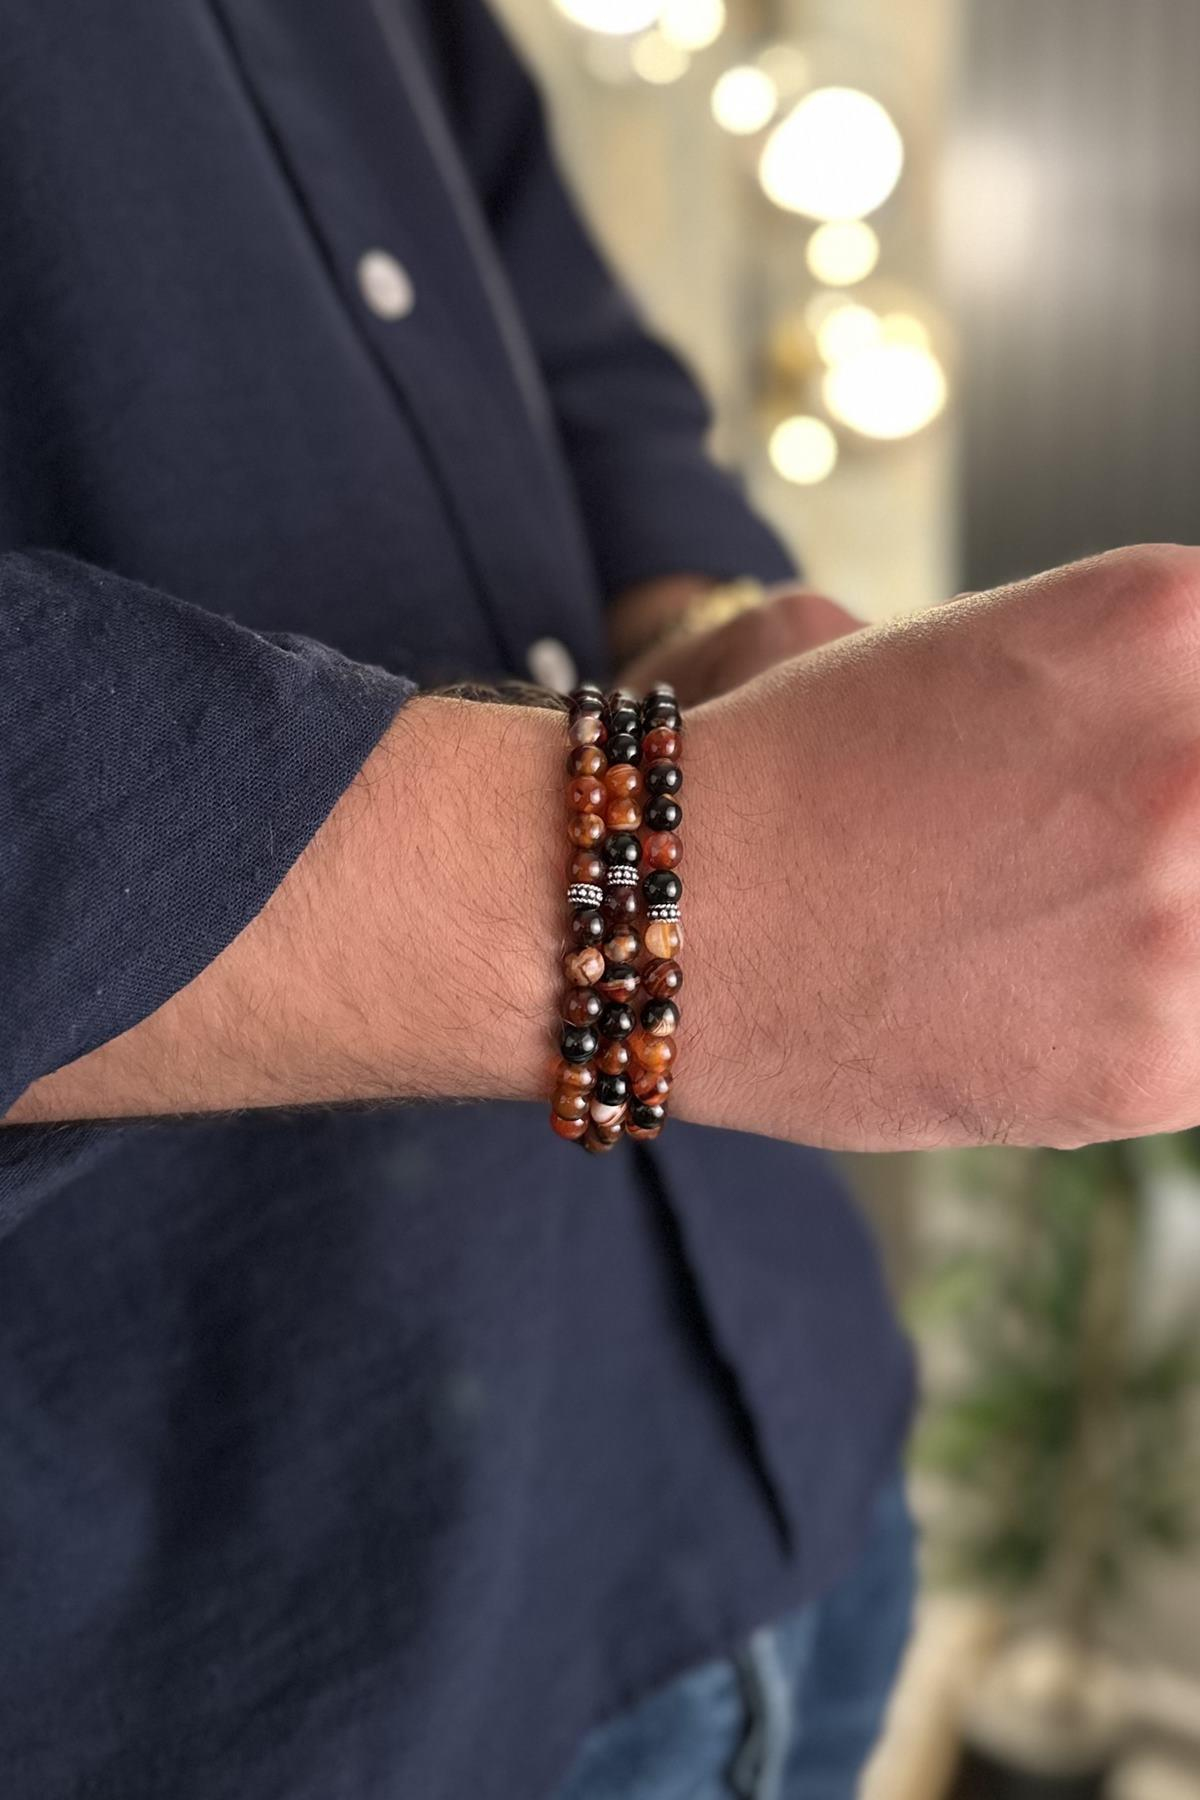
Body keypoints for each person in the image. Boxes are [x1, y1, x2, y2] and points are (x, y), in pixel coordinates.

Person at [4, 3, 1200, 1797]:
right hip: (306, 1672)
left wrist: (705, 611)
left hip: (790, 1464)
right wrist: (685, 883)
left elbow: (514, 247)